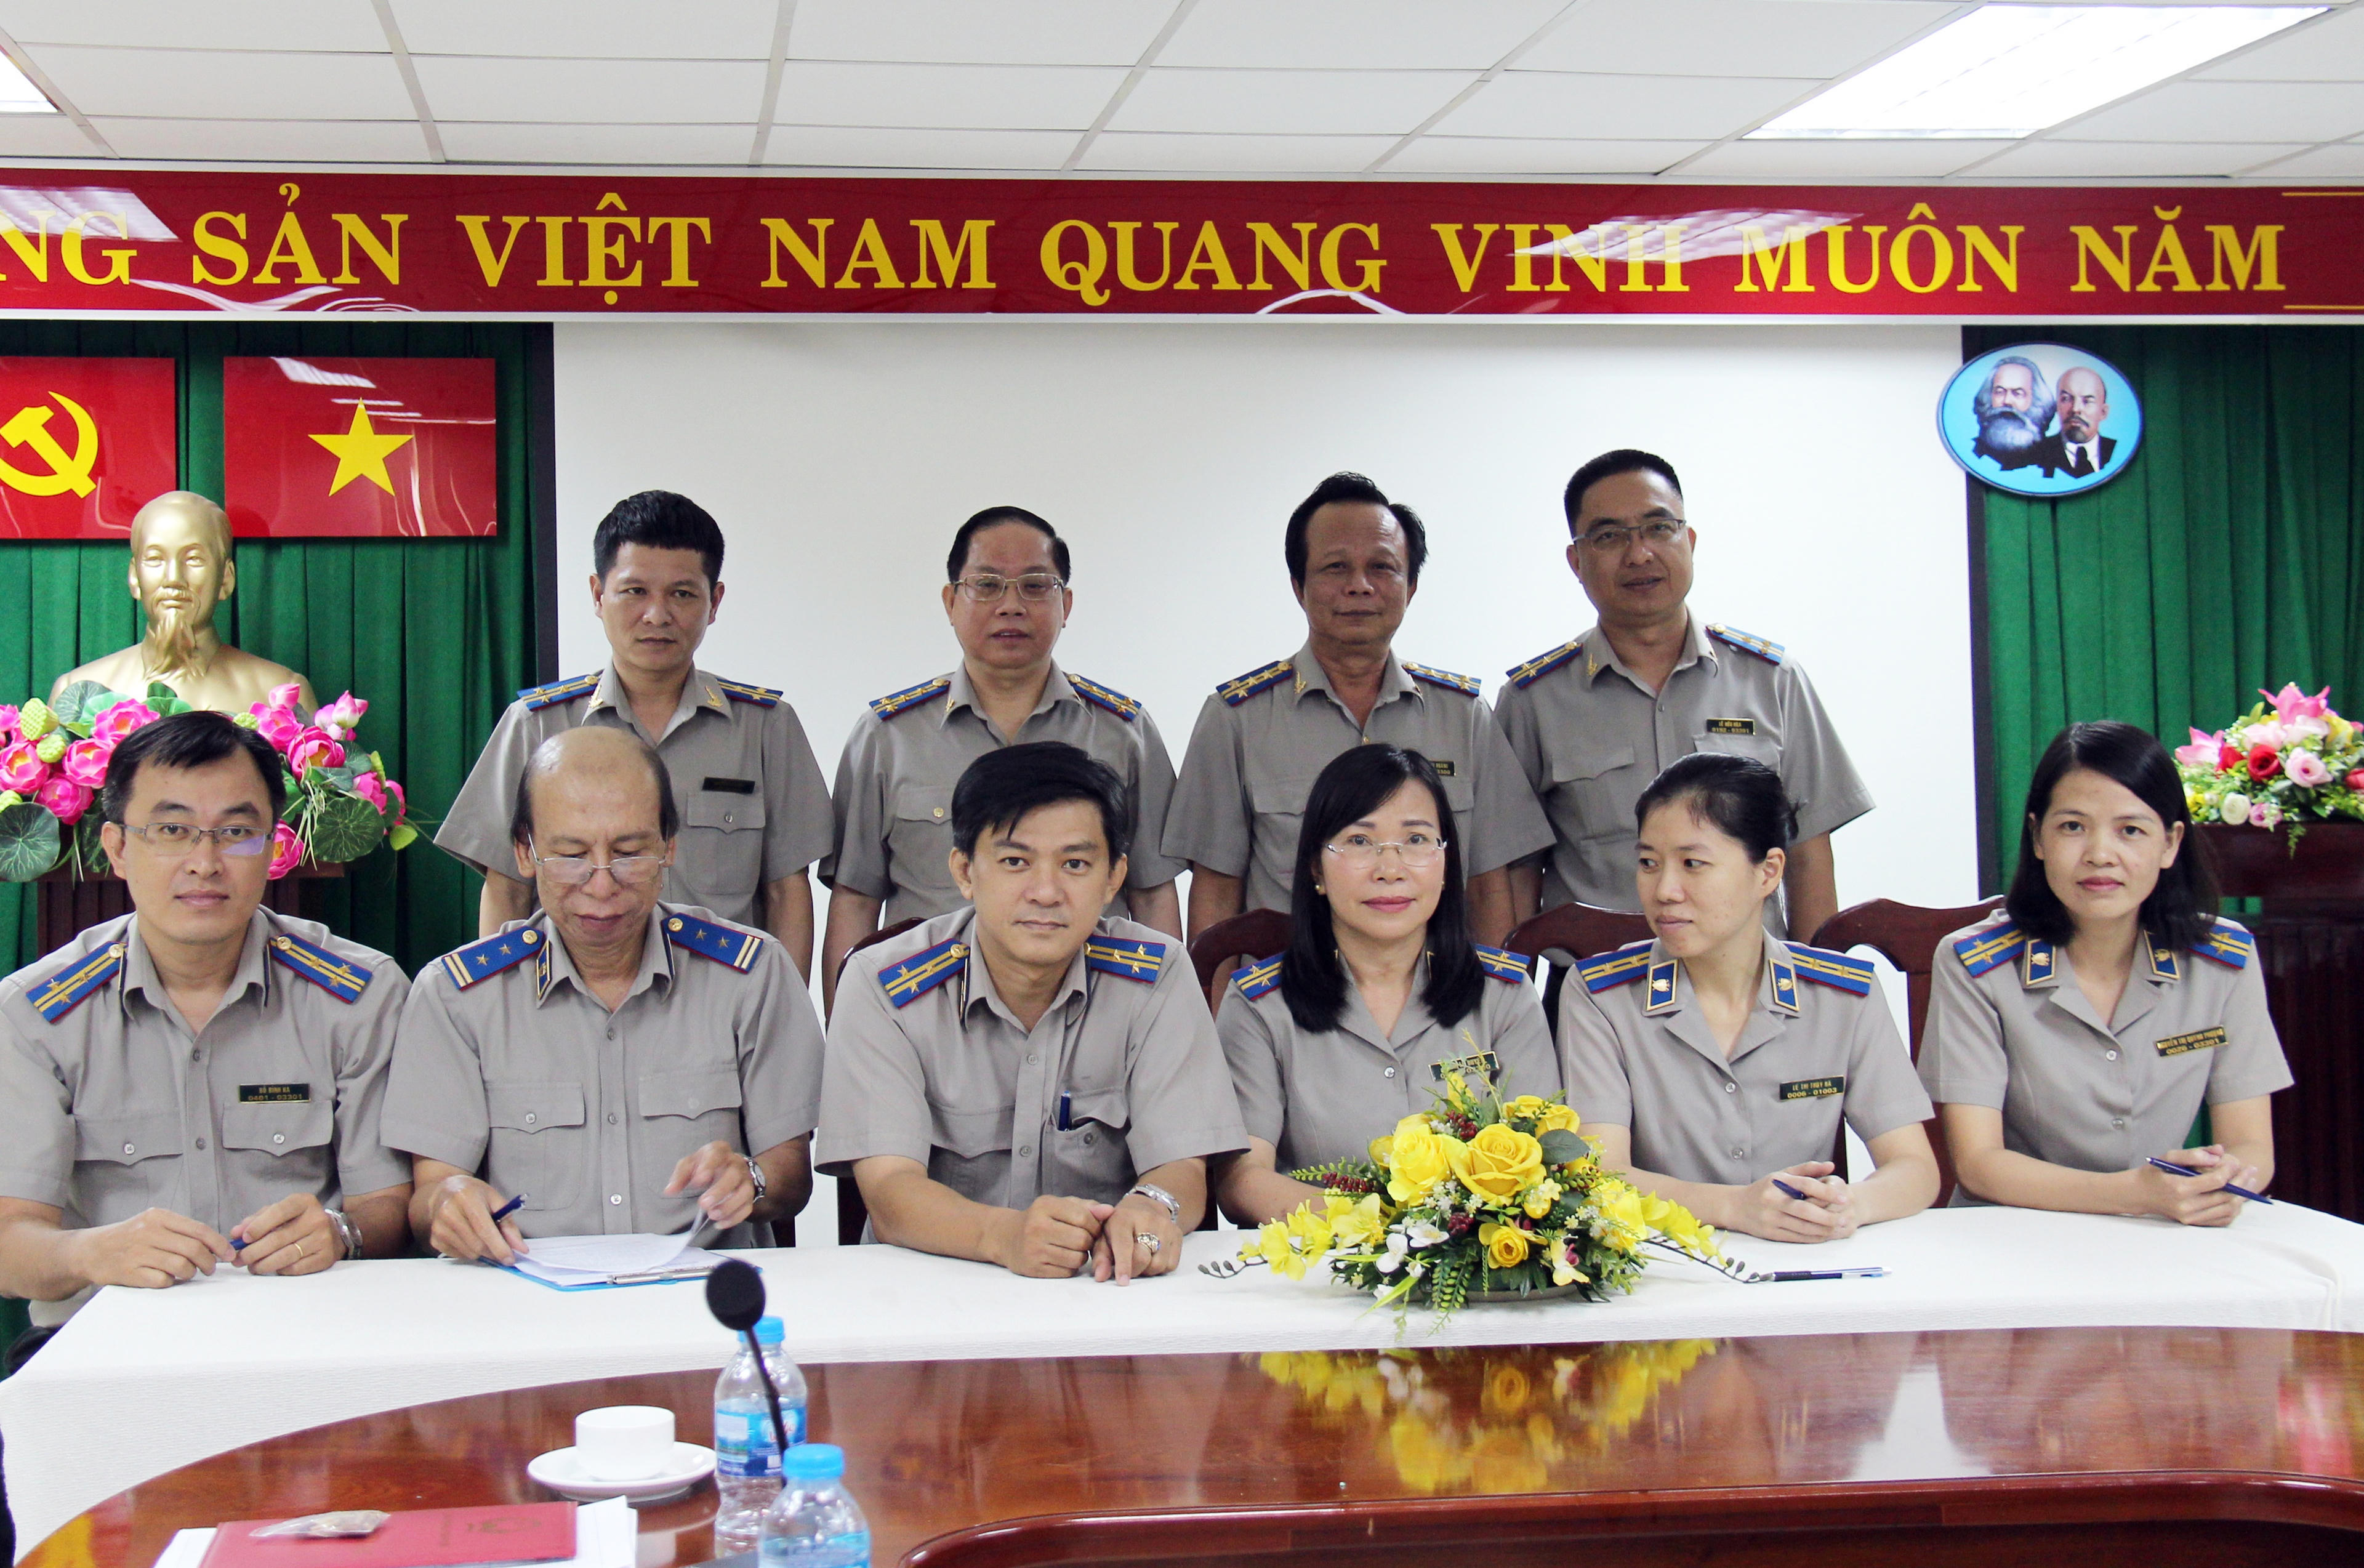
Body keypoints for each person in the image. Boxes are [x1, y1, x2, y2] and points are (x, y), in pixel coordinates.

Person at [0, 711, 411, 1328]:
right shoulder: (35, 1014)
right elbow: (10, 1244)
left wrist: (341, 1232)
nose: (205, 862)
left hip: (308, 1333)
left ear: (274, 847)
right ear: (117, 848)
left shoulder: (361, 994)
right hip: (105, 1344)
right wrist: (93, 1252)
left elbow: (390, 1205)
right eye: (172, 830)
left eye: (236, 832)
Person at [385, 726, 821, 1261]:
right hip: (527, 1294)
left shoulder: (750, 974)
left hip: (703, 1289)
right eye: (571, 855)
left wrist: (750, 1178)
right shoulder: (458, 997)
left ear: (669, 845)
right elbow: (432, 1192)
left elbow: (791, 1176)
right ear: (524, 851)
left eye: (629, 852)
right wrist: (449, 1202)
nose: (601, 884)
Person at [819, 742, 1248, 1282]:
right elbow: (889, 1189)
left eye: (1075, 864)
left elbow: (1182, 1163)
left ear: (1114, 878)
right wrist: (1002, 1236)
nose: (1046, 892)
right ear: (965, 871)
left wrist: (1150, 1209)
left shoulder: (1157, 976)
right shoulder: (883, 984)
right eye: (1015, 862)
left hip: (1105, 1288)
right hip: (931, 1289)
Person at [436, 491, 833, 975]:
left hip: (724, 1003)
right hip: (572, 1001)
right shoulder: (537, 724)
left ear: (714, 602)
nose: (657, 615)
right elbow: (507, 889)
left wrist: (782, 1007)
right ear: (597, 595)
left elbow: (787, 893)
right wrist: (502, 1003)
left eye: (682, 594)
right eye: (635, 591)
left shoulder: (766, 726)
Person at [1495, 449, 1870, 946]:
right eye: (1609, 536)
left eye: (1658, 528)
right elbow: (1515, 874)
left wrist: (1816, 985)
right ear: (1576, 561)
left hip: (1748, 977)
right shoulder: (1534, 702)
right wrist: (1506, 989)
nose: (1639, 554)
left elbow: (1808, 857)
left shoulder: (1772, 681)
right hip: (1594, 981)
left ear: (1689, 541)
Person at [1559, 754, 1937, 1243]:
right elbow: (1599, 1177)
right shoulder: (1600, 996)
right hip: (1664, 1264)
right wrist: (1735, 1207)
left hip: (1808, 1260)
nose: (1665, 890)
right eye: (1649, 862)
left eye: (1693, 864)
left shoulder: (1844, 996)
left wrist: (1850, 1206)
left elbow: (1915, 1168)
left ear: (1768, 872)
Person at [1920, 721, 2289, 1223]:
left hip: (2163, 1232)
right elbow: (1979, 1165)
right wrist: (2136, 1194)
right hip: (2013, 1234)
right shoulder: (1974, 964)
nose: (2099, 854)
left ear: (2170, 843)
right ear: (2038, 837)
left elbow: (2251, 1144)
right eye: (2073, 827)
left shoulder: (2222, 959)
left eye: (2130, 830)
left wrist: (2224, 1180)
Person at [1165, 472, 1549, 946]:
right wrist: (1215, 996)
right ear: (1298, 586)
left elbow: (1488, 888)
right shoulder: (1236, 720)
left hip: (1436, 989)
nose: (1360, 586)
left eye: (1382, 567)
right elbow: (1218, 894)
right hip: (1286, 988)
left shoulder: (1464, 717)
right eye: (1336, 568)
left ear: (1411, 587)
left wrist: (1497, 993)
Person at [822, 505, 1183, 1007]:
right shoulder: (888, 738)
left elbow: (1152, 894)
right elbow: (856, 900)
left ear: (1066, 604)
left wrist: (1166, 1015)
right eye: (987, 585)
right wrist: (847, 1030)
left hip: (1095, 1013)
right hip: (926, 1018)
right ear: (951, 601)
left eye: (1035, 586)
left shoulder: (1124, 734)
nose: (1011, 605)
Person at [1214, 744, 1559, 1227]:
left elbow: (1546, 1161)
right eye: (1360, 841)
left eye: (1416, 840)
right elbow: (1242, 1181)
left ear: (1446, 863)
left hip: (1475, 1261)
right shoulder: (1259, 1005)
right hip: (1319, 1259)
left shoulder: (1505, 995)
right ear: (1316, 868)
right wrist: (1383, 1232)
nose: (1390, 869)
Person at [50, 491, 318, 714]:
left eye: (194, 559)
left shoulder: (280, 695)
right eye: (155, 559)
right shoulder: (77, 694)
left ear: (226, 578)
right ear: (134, 577)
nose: (174, 578)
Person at [2028, 367, 2118, 479]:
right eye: (2066, 399)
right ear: (2057, 407)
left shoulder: (2118, 451)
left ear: (2103, 412)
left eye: (2087, 401)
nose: (2075, 409)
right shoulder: (2035, 454)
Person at [1969, 356, 2055, 470]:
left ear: (2035, 400)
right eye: (1999, 392)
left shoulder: (2053, 458)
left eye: (2018, 393)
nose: (2007, 401)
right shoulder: (1971, 452)